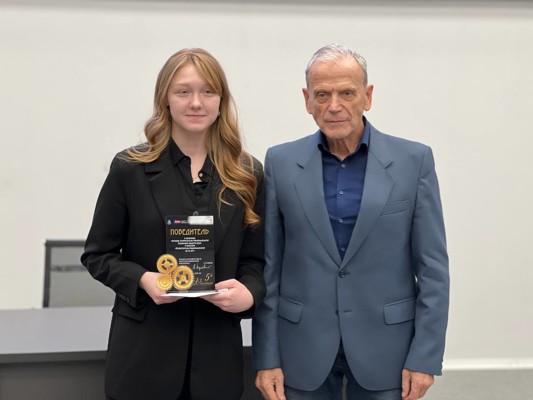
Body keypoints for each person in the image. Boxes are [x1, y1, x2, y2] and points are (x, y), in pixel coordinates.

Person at [252, 43, 449, 400]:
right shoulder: (280, 163)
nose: (334, 106)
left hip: (389, 352)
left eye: (346, 93)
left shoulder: (414, 161)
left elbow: (433, 270)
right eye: (322, 94)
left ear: (367, 96)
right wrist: (266, 357)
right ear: (307, 100)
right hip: (301, 351)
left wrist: (425, 356)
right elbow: (270, 268)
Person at [81, 48, 265, 400]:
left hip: (216, 362)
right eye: (183, 91)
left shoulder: (248, 173)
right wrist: (143, 280)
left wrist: (249, 294)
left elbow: (256, 261)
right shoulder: (129, 168)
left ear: (221, 100)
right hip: (142, 360)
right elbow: (98, 255)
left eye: (208, 91)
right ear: (165, 98)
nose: (196, 102)